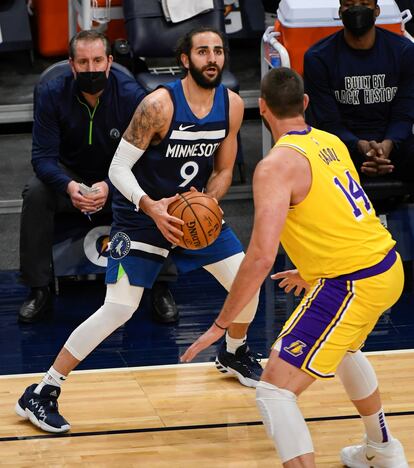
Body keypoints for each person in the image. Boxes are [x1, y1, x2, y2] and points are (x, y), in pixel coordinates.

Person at [15, 27, 262, 434]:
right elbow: (117, 169)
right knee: (118, 308)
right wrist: (151, 206)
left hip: (191, 216)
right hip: (139, 217)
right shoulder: (158, 106)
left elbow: (222, 171)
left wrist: (207, 202)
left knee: (248, 283)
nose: (212, 58)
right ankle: (41, 392)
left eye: (218, 51)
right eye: (203, 51)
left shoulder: (232, 105)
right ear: (186, 60)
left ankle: (234, 352)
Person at [181, 67, 408, 467]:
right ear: (304, 104)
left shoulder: (274, 167)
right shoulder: (330, 141)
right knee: (343, 349)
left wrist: (221, 323)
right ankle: (384, 449)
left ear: (262, 108)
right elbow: (347, 215)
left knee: (273, 392)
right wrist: (311, 271)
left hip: (351, 282)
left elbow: (260, 256)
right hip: (386, 266)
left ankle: (385, 451)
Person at [18, 29, 178, 325]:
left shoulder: (132, 96)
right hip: (70, 178)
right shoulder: (52, 94)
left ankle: (160, 286)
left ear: (108, 61)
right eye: (83, 62)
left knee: (154, 185)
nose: (90, 69)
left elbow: (147, 157)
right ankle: (38, 289)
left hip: (118, 177)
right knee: (36, 192)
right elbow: (42, 158)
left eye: (96, 61)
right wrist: (69, 186)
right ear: (71, 64)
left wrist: (110, 184)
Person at [303, 0, 414, 182]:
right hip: (341, 148)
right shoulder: (318, 57)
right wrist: (360, 147)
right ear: (340, 12)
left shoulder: (404, 52)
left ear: (377, 10)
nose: (357, 10)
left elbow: (404, 114)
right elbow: (328, 122)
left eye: (364, 3)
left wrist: (387, 145)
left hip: (395, 144)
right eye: (349, 5)